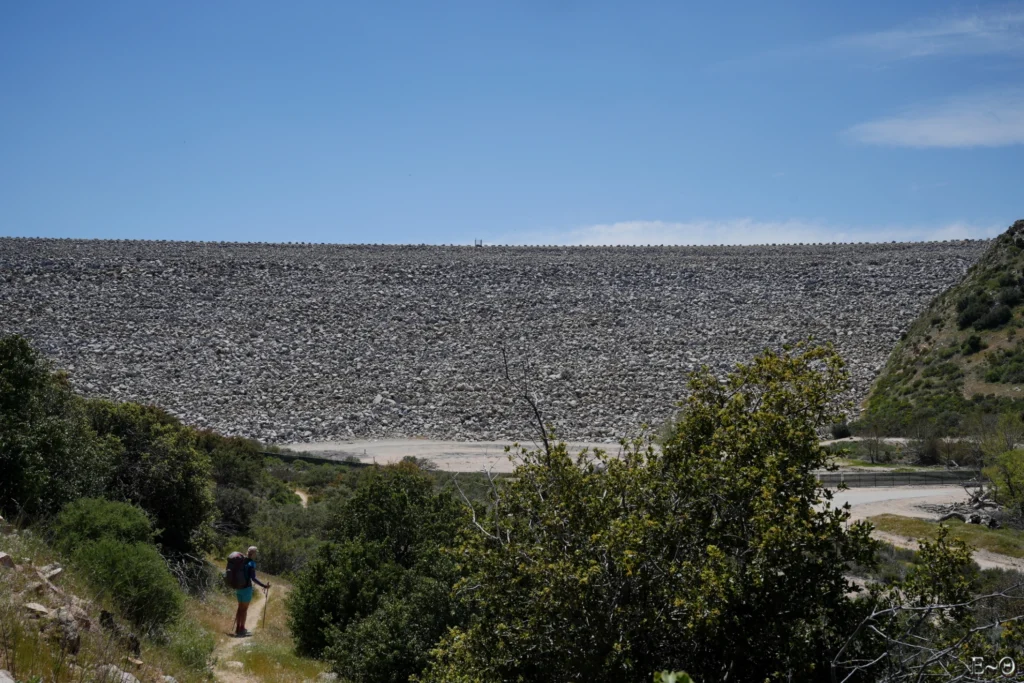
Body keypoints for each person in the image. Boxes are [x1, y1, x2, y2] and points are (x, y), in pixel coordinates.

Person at [233, 546, 270, 637]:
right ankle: (242, 628)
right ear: (253, 554)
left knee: (239, 608)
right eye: (255, 553)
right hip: (246, 589)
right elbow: (253, 578)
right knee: (244, 609)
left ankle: (238, 627)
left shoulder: (241, 561)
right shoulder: (251, 563)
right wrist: (264, 586)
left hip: (238, 588)